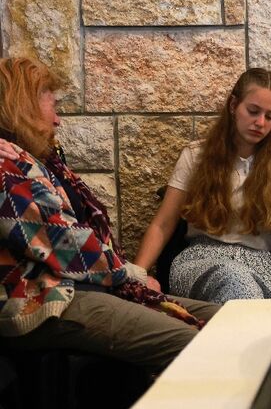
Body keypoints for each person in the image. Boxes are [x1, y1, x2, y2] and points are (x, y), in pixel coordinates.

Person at [0, 56, 218, 369]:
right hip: (42, 300)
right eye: (53, 106)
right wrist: (134, 275)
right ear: (25, 106)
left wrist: (129, 276)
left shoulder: (42, 161)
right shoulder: (7, 169)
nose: (58, 120)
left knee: (224, 320)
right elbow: (67, 248)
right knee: (198, 345)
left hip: (77, 285)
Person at [135, 68, 271, 303]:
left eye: (270, 116)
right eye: (253, 111)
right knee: (235, 279)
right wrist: (136, 277)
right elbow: (162, 224)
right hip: (201, 259)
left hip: (266, 263)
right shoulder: (196, 155)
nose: (260, 123)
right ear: (233, 105)